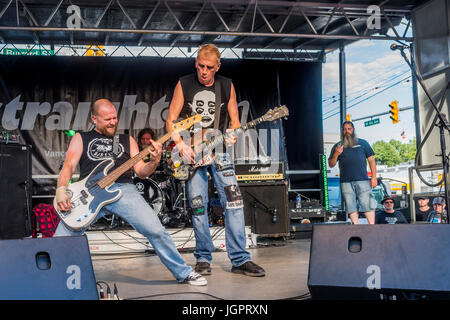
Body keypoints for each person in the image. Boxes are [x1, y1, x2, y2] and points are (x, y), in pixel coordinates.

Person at [54, 98, 207, 286]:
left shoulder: (127, 140)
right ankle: (51, 276)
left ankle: (184, 273)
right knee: (61, 237)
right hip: (89, 193)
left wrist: (154, 161)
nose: (113, 122)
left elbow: (141, 172)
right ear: (94, 119)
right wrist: (61, 189)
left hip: (123, 190)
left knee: (156, 230)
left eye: (115, 118)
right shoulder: (82, 138)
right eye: (107, 119)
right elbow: (68, 165)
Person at [166, 44, 265, 277]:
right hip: (191, 151)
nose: (203, 71)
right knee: (199, 206)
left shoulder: (226, 85)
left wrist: (233, 135)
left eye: (209, 67)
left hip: (218, 150)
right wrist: (181, 145)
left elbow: (235, 122)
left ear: (217, 66)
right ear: (196, 63)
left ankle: (240, 259)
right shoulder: (184, 83)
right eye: (200, 65)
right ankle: (202, 258)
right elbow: (170, 121)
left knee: (234, 201)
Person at [328, 121, 378, 224]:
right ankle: (356, 227)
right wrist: (336, 154)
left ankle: (372, 228)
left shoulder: (363, 143)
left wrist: (374, 177)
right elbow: (331, 164)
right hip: (345, 182)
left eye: (349, 129)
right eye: (345, 129)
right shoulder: (338, 146)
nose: (347, 131)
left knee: (367, 204)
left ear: (353, 130)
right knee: (350, 206)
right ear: (342, 131)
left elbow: (372, 160)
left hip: (363, 180)